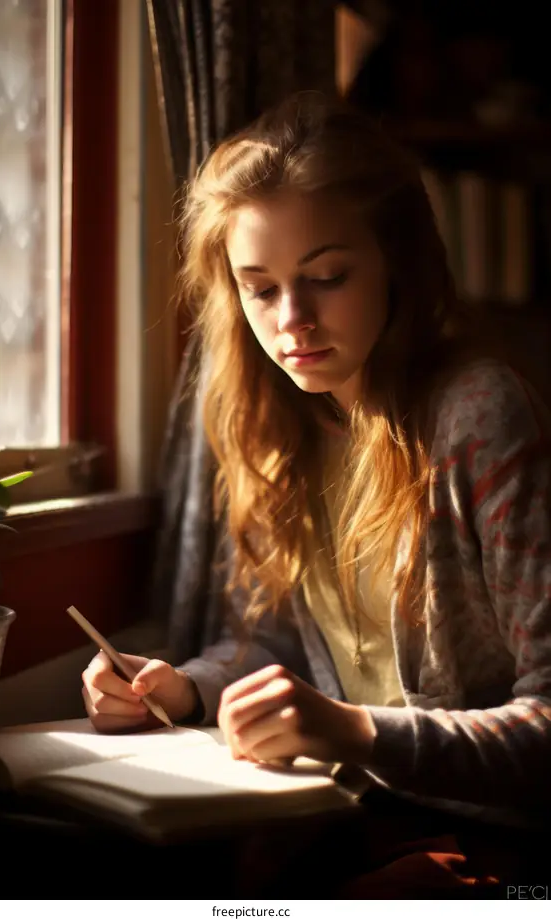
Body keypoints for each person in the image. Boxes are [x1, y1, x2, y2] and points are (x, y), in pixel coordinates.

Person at [81, 92, 551, 896]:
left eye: (327, 277)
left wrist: (358, 732)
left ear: (397, 262)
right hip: (349, 815)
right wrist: (187, 685)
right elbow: (301, 652)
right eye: (260, 289)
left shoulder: (476, 416)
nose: (292, 320)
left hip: (498, 847)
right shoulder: (280, 424)